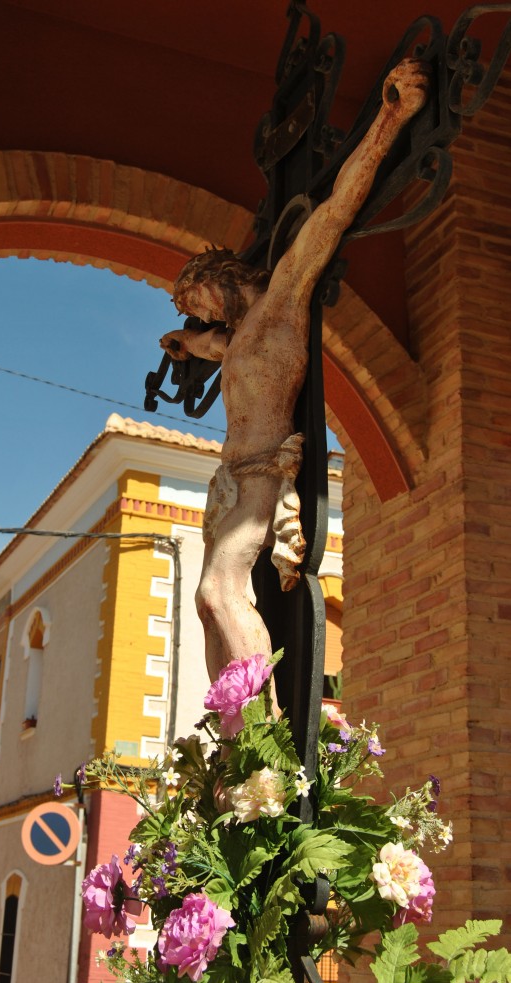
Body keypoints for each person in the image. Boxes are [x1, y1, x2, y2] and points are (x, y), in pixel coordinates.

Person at [159, 59, 428, 682]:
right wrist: (186, 345)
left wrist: (390, 116)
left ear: (218, 283)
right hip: (229, 477)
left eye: (193, 302)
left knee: (218, 593)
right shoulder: (241, 341)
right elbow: (219, 352)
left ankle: (259, 736)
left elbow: (333, 213)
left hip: (260, 473)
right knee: (211, 608)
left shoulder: (281, 301)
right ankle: (230, 748)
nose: (195, 317)